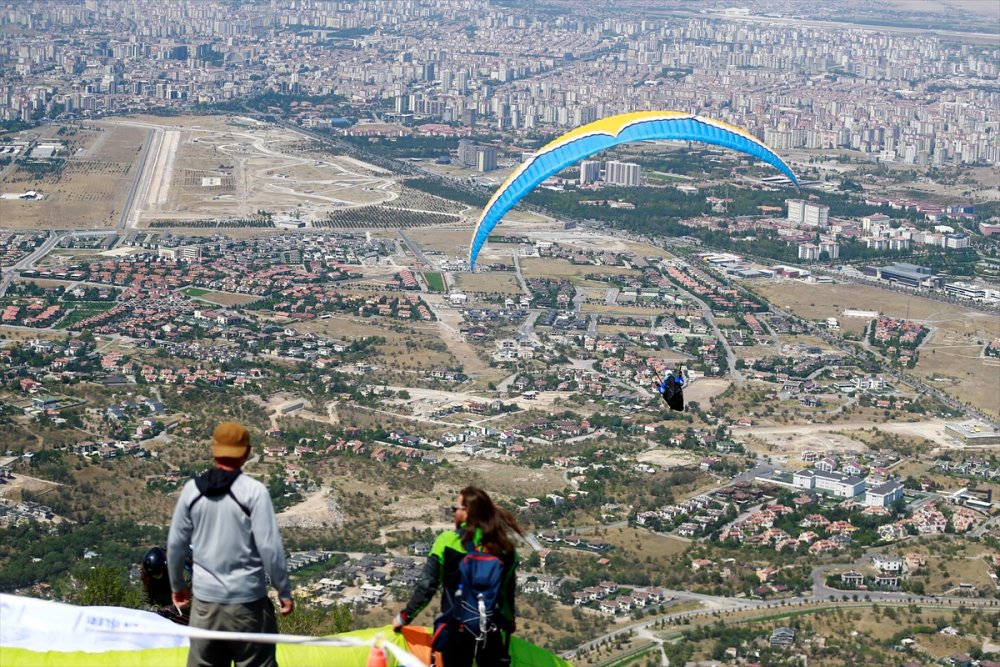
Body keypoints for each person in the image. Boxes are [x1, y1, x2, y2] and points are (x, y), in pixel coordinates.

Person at [167, 421, 294, 667]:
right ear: (246, 454)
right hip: (248, 607)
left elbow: (175, 546)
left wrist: (178, 585)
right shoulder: (253, 492)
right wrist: (283, 590)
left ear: (214, 450)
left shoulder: (192, 491)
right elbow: (270, 548)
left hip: (205, 607)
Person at [393, 485, 522, 667]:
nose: (454, 512)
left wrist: (404, 617)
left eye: (456, 509)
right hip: (489, 633)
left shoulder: (447, 541)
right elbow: (506, 594)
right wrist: (509, 622)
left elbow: (427, 586)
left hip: (456, 632)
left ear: (466, 513)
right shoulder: (505, 549)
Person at [141, 546, 189, 625]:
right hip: (163, 618)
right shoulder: (148, 579)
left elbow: (194, 600)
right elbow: (144, 602)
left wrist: (175, 608)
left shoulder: (181, 575)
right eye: (153, 574)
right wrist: (154, 609)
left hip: (186, 616)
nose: (155, 576)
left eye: (158, 573)